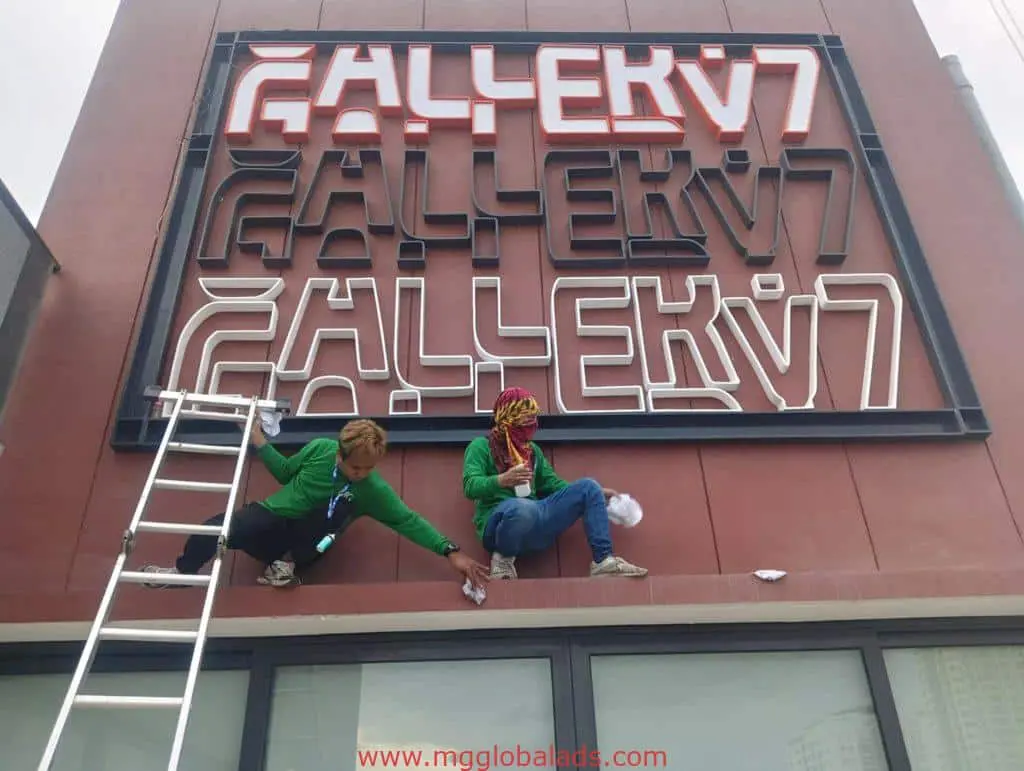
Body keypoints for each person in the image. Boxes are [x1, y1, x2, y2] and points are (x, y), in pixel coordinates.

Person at [141, 418, 490, 589]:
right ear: (339, 453)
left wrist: (451, 551)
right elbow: (284, 472)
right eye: (356, 466)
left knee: (342, 502)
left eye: (369, 468)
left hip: (308, 544)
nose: (362, 473)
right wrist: (258, 439)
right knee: (220, 527)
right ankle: (181, 574)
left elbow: (407, 520)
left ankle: (286, 566)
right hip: (271, 523)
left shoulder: (369, 487)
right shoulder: (320, 450)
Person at [462, 386, 648, 580]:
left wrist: (597, 494)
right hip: (500, 525)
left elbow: (554, 485)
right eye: (525, 418)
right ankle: (502, 559)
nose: (531, 423)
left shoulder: (532, 451)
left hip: (537, 520)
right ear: (508, 417)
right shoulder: (481, 446)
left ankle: (604, 562)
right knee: (522, 508)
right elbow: (470, 486)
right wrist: (501, 480)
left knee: (588, 486)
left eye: (533, 417)